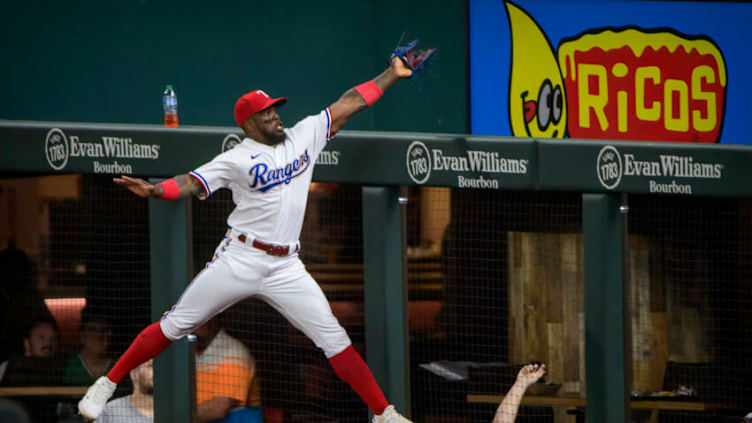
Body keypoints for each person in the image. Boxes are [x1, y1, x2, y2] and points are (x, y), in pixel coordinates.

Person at [78, 54, 416, 422]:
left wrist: (392, 74)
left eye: (275, 110)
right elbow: (190, 182)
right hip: (240, 258)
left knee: (335, 340)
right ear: (250, 124)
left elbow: (350, 101)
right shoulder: (237, 158)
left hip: (286, 265)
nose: (275, 117)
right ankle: (107, 383)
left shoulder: (304, 134)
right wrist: (156, 191)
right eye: (267, 114)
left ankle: (384, 413)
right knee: (174, 325)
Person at [193, 317, 261, 423]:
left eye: (197, 320)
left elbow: (220, 408)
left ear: (214, 320)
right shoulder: (186, 352)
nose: (190, 326)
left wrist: (176, 416)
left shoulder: (234, 351)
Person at [65, 307, 114, 386]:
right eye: (92, 330)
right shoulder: (66, 364)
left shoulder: (119, 364)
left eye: (104, 330)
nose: (99, 335)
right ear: (82, 335)